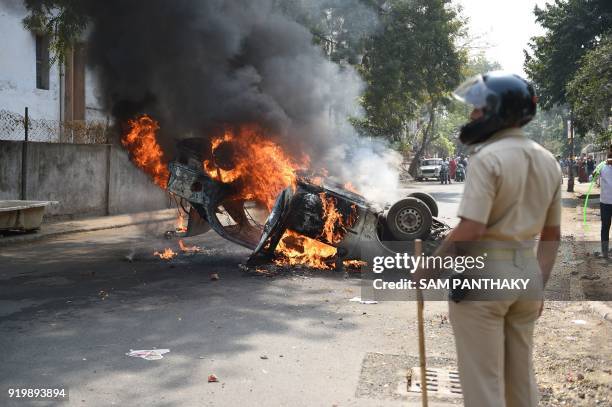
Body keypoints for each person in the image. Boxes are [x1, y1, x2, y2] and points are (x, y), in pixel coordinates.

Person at [435, 72, 561, 407]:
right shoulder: (549, 161)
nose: (472, 116)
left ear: (497, 110)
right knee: (521, 380)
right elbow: (551, 236)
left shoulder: (487, 158)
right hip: (526, 276)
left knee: (483, 384)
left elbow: (470, 229)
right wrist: (539, 285)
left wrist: (428, 269)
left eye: (477, 109)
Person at [596, 152, 612, 259]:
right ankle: (604, 252)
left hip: (605, 202)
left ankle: (605, 252)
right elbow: (593, 175)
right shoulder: (602, 167)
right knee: (605, 227)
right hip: (605, 202)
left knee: (605, 227)